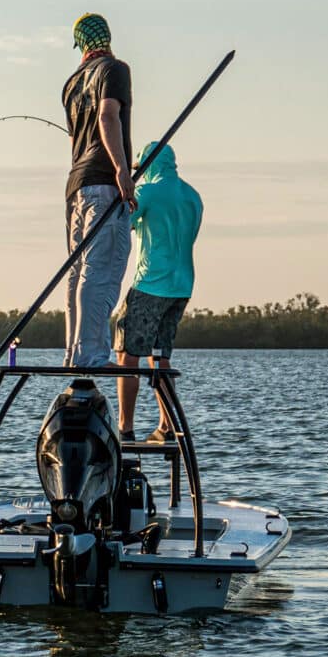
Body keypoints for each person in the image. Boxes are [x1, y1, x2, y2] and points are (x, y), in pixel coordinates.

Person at [114, 142, 203, 441]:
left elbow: (123, 224)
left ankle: (125, 427)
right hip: (182, 286)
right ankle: (166, 425)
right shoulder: (193, 197)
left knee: (127, 354)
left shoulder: (148, 192)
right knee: (160, 357)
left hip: (151, 283)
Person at [63, 13, 137, 368]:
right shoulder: (115, 69)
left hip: (75, 188)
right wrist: (122, 170)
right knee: (101, 269)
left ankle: (74, 354)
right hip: (104, 184)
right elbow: (108, 116)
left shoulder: (71, 82)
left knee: (78, 272)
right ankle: (91, 356)